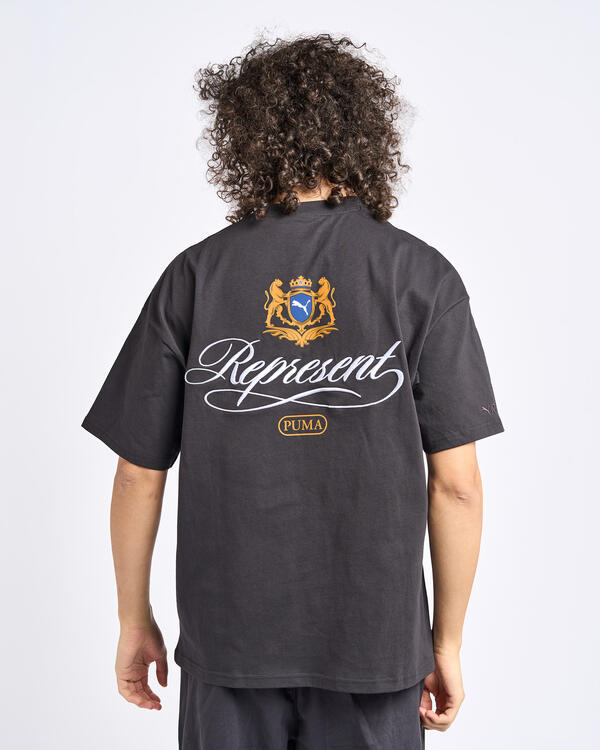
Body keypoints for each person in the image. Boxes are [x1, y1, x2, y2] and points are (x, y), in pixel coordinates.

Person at [82, 33, 504, 750]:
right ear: (364, 135)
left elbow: (136, 474)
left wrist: (132, 619)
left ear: (247, 137)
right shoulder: (421, 276)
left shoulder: (196, 275)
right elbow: (457, 485)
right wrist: (447, 642)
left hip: (229, 641)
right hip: (376, 644)